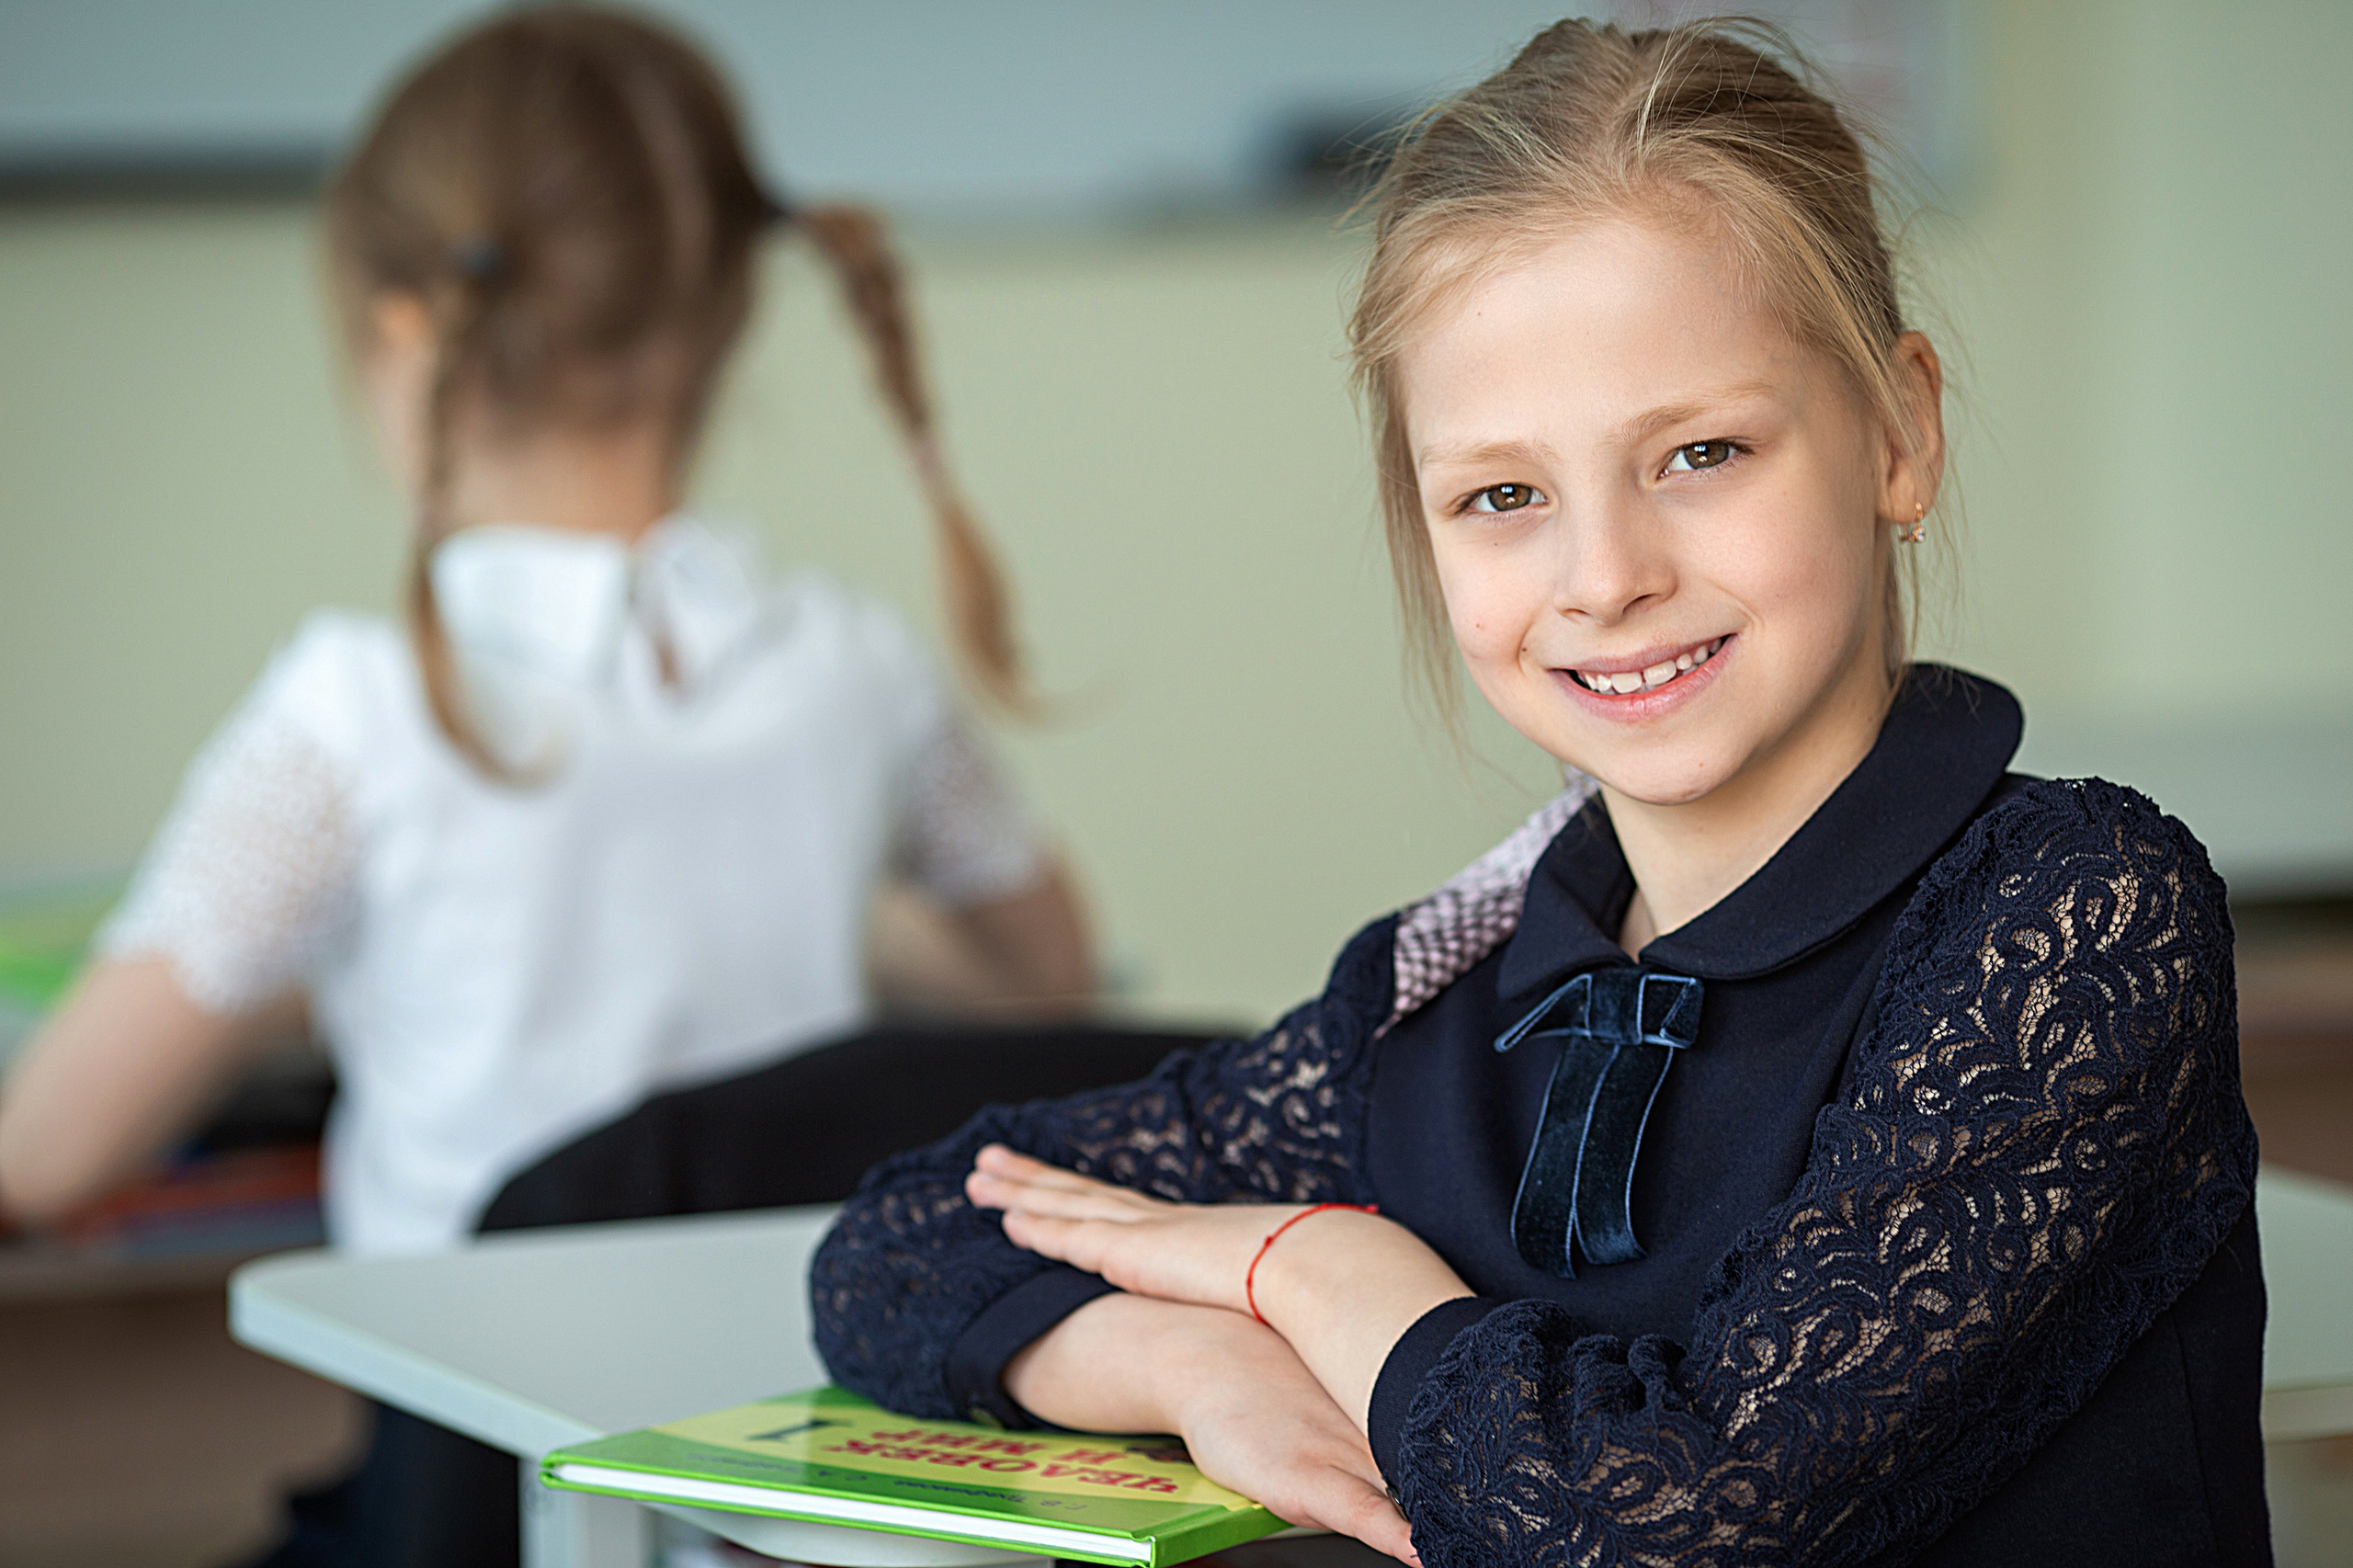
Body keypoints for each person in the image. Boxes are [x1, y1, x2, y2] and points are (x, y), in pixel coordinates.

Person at [810, 18, 2267, 1567]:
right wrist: (1188, 1355)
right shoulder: (1450, 992)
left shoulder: (2075, 921)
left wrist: (1319, 1281)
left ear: (1900, 431)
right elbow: (907, 1238)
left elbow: (1680, 1517)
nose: (1607, 578)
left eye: (1701, 452)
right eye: (1504, 495)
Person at [0, 5, 1094, 1258]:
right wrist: (826, 904)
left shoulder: (348, 714)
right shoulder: (862, 670)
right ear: (733, 315)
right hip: (764, 1429)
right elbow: (1044, 976)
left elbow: (47, 1152)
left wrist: (310, 973)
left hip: (476, 1451)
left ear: (404, 334)